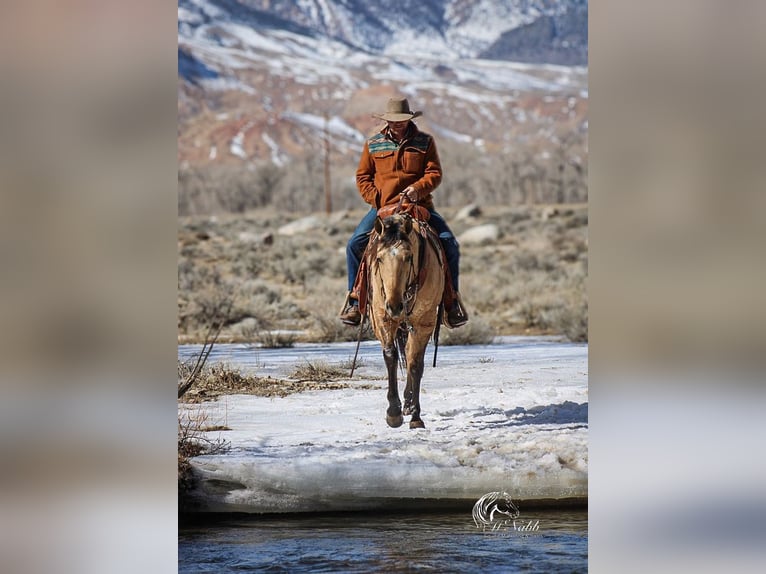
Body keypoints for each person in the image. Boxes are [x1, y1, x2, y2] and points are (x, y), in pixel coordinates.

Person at [340, 96, 468, 328]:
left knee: (450, 244)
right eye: (393, 120)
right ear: (386, 120)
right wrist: (378, 199)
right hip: (382, 209)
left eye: (401, 120)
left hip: (420, 207)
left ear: (409, 119)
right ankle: (355, 299)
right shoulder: (373, 144)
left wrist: (418, 189)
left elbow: (434, 173)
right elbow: (363, 177)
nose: (397, 124)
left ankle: (451, 302)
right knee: (355, 244)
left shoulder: (424, 142)